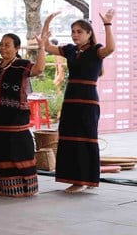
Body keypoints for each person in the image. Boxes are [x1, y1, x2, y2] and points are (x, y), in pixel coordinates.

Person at [0, 27, 48, 197]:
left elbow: (39, 69)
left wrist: (41, 47)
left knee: (16, 148)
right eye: (1, 44)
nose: (3, 48)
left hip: (16, 115)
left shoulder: (21, 65)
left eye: (7, 45)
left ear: (17, 48)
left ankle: (22, 187)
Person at [41, 10, 115, 193]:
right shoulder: (70, 50)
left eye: (79, 31)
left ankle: (84, 180)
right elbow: (47, 47)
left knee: (86, 138)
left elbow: (111, 48)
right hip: (71, 98)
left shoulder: (96, 50)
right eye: (73, 31)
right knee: (68, 137)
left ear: (89, 33)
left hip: (88, 100)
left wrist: (107, 25)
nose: (75, 35)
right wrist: (47, 23)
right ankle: (76, 179)